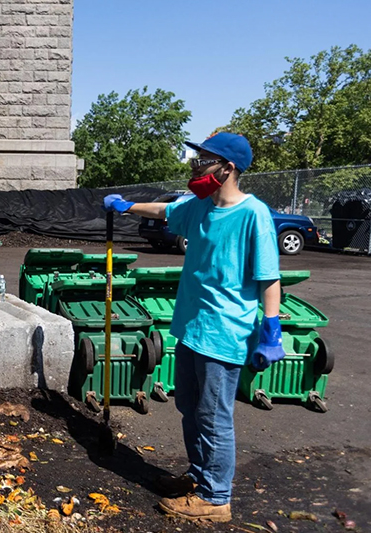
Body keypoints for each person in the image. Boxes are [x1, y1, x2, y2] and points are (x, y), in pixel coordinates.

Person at [103, 132, 284, 523]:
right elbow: (165, 212)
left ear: (228, 167)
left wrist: (272, 331)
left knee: (214, 416)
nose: (195, 164)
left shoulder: (254, 214)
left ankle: (216, 498)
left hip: (224, 333)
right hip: (191, 328)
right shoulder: (200, 206)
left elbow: (269, 278)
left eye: (204, 159)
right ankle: (199, 477)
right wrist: (125, 206)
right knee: (189, 408)